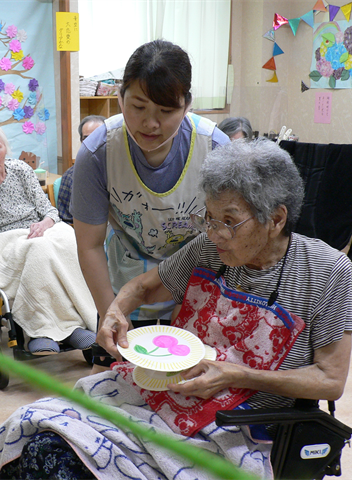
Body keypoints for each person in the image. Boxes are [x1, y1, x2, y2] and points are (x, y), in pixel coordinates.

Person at [0, 139, 352, 479]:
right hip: (163, 395)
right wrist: (115, 309)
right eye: (209, 219)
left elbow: (330, 380)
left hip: (241, 426)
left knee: (64, 469)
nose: (214, 234)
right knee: (37, 441)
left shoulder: (327, 273)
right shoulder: (209, 248)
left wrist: (237, 375)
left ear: (276, 219)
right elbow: (143, 287)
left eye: (228, 222)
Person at [70, 40, 230, 369]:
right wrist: (111, 311)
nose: (150, 124)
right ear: (119, 98)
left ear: (187, 105)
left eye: (166, 111)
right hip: (126, 291)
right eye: (138, 106)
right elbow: (89, 245)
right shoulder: (97, 153)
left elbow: (232, 237)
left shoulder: (215, 148)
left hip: (198, 290)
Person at [0, 121, 97, 355]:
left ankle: (76, 323)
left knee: (70, 239)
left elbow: (50, 212)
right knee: (39, 250)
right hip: (2, 241)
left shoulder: (22, 170)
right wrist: (13, 239)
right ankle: (42, 331)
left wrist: (44, 224)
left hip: (39, 231)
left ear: (5, 148)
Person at [56, 115, 106, 224]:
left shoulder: (122, 172)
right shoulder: (71, 175)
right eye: (87, 138)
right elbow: (66, 219)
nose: (93, 142)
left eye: (99, 136)